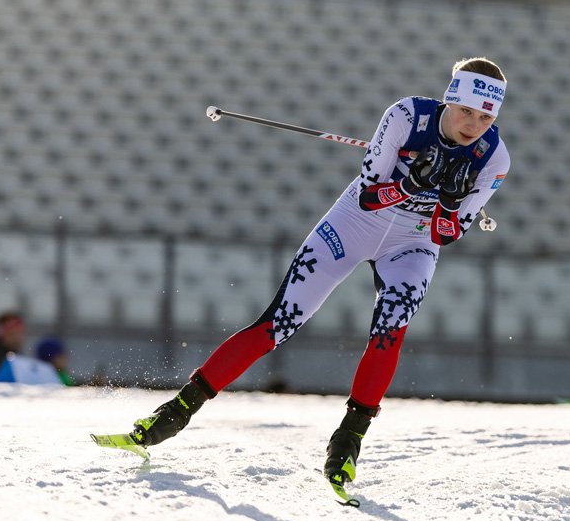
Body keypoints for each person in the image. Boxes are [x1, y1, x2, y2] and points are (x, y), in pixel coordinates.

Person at [123, 57, 511, 488]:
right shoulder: (407, 116)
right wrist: (410, 185)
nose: (473, 125)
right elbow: (367, 197)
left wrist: (450, 202)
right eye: (466, 111)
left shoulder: (494, 157)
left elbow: (445, 235)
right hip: (354, 224)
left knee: (390, 329)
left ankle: (347, 442)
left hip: (413, 241)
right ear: (449, 99)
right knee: (278, 323)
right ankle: (175, 412)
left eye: (485, 117)